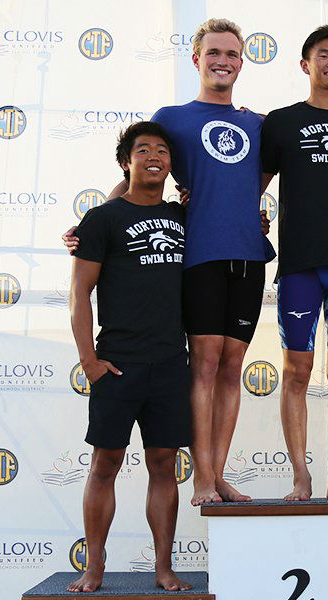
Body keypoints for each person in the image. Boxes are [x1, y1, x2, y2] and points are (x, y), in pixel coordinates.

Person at [64, 19, 274, 506]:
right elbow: (141, 171)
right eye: (214, 52)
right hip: (199, 255)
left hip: (248, 255)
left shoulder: (257, 123)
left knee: (232, 366)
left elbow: (253, 181)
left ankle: (218, 474)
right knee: (203, 363)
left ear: (242, 62)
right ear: (197, 59)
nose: (223, 60)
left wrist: (246, 210)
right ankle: (201, 477)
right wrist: (100, 223)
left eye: (232, 54)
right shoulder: (173, 118)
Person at [67, 122, 191, 593]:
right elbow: (80, 294)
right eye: (143, 150)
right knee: (105, 464)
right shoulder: (101, 220)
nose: (154, 156)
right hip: (117, 363)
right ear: (126, 162)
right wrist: (90, 362)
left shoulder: (183, 219)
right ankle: (94, 567)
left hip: (169, 363)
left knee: (164, 464)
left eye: (162, 150)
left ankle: (164, 568)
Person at [260, 23, 328, 501]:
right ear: (306, 65)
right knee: (297, 372)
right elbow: (250, 185)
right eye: (322, 54)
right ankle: (300, 477)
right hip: (301, 266)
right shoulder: (281, 121)